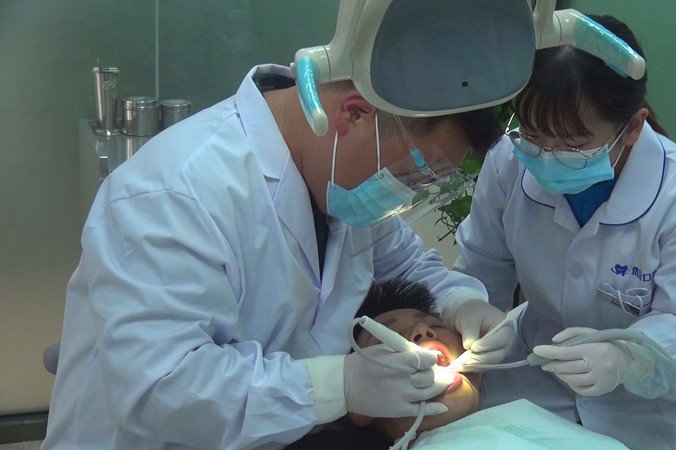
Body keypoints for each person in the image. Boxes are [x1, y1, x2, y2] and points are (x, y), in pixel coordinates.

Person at [42, 63, 514, 449]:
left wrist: (461, 302)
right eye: (410, 176)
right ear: (354, 114)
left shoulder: (340, 184)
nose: (406, 195)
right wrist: (338, 386)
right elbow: (158, 387)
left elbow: (407, 265)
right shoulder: (175, 192)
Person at [454, 15, 676, 450]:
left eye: (572, 145)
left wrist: (628, 357)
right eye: (533, 135)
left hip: (654, 408)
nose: (546, 156)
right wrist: (470, 305)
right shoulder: (508, 163)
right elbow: (483, 264)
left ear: (634, 127)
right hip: (538, 383)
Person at [290, 279, 629, 450]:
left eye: (434, 325)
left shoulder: (523, 421)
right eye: (391, 338)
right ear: (359, 407)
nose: (422, 331)